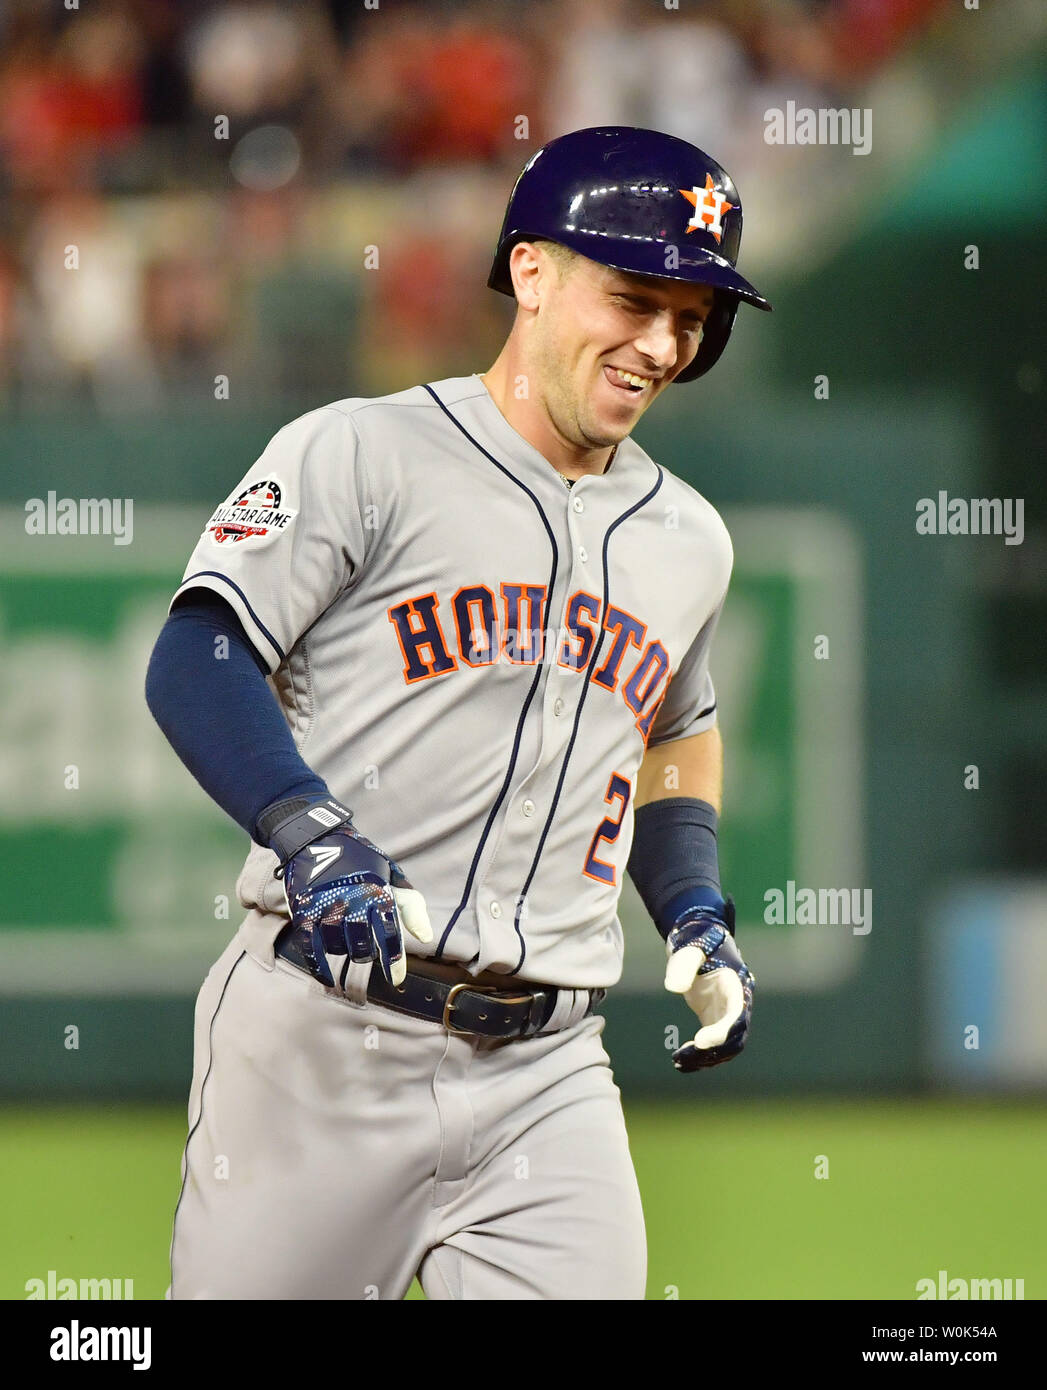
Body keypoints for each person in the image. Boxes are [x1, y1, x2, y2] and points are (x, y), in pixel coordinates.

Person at [146, 126, 769, 1300]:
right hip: (321, 1040)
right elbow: (199, 651)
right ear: (530, 272)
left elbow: (678, 728)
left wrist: (693, 904)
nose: (661, 343)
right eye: (636, 297)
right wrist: (308, 830)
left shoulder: (692, 537)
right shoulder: (362, 452)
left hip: (550, 1070)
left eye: (693, 318)